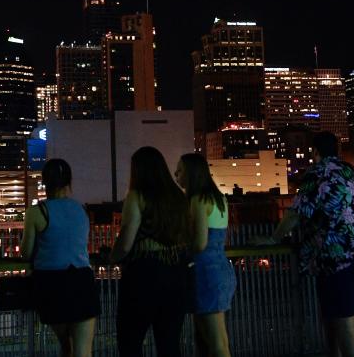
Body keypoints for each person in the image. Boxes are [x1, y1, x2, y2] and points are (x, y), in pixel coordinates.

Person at [256, 132, 354, 357]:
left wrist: (273, 238)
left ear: (315, 152)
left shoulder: (317, 173)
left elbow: (296, 213)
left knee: (346, 329)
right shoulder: (349, 170)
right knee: (336, 320)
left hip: (336, 260)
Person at [110, 146, 190, 357]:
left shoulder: (137, 196)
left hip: (143, 275)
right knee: (169, 343)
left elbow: (126, 242)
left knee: (130, 342)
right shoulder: (178, 197)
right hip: (176, 274)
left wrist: (111, 257)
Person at [20, 158, 99, 357]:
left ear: (44, 182)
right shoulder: (81, 210)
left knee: (66, 346)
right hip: (82, 280)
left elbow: (26, 252)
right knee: (82, 351)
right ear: (69, 182)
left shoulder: (36, 212)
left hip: (51, 284)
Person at [175, 153, 235, 357]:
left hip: (205, 274)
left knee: (214, 343)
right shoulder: (218, 198)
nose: (176, 174)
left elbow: (200, 243)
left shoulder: (198, 200)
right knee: (216, 339)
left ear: (192, 173)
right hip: (220, 269)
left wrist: (179, 248)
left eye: (180, 170)